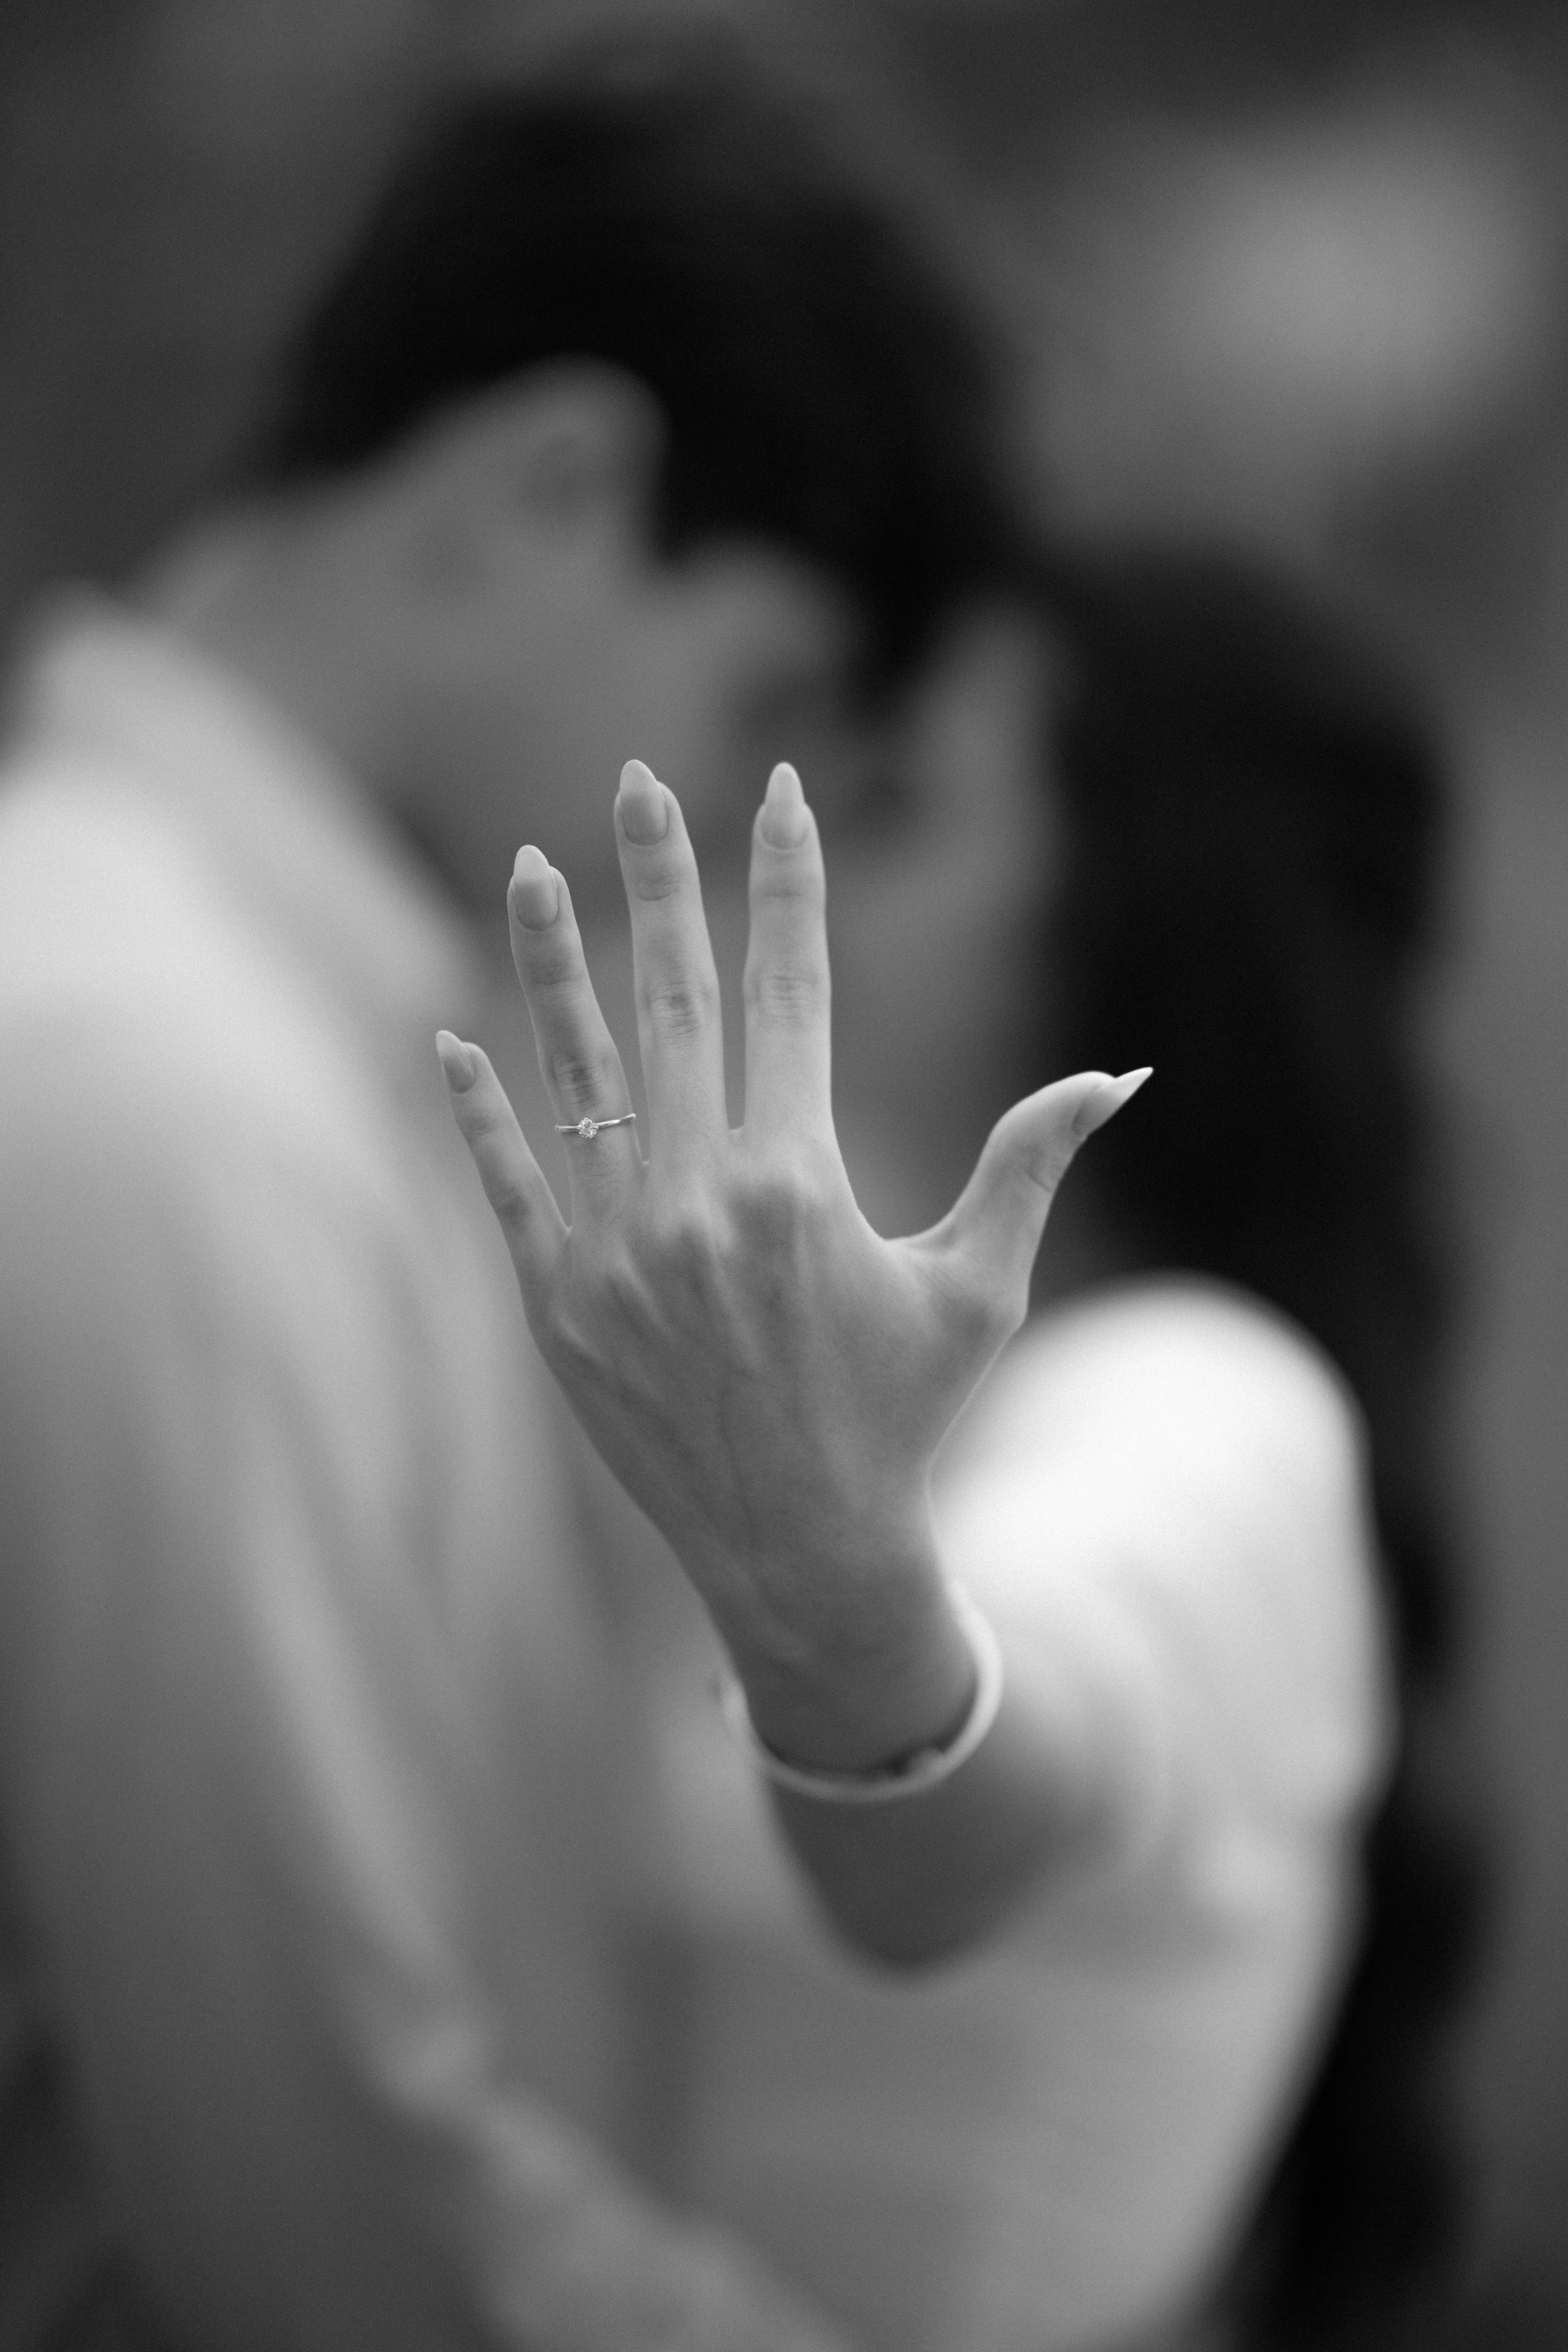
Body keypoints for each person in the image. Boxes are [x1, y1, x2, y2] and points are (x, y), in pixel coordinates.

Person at [0, 32, 1012, 2350]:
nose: (748, 834)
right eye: (766, 704)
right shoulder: (147, 1092)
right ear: (553, 487)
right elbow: (331, 2236)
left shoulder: (239, 1050)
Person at [439, 548, 1486, 2351]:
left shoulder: (1212, 1401)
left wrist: (826, 1586)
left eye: (902, 801)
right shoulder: (962, 1395)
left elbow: (939, 1862)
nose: (815, 861)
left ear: (1132, 908)